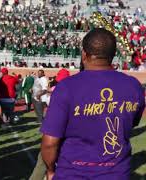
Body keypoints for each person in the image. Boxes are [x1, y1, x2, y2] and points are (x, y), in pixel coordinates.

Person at [41, 28, 145, 180]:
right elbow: (132, 123)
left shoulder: (66, 87)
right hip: (117, 173)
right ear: (113, 55)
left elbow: (50, 143)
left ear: (84, 54)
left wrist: (50, 170)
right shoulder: (133, 86)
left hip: (72, 174)